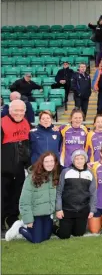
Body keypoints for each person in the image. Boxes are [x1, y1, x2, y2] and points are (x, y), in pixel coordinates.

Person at [5, 152, 59, 243]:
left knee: (46, 237)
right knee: (36, 240)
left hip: (47, 214)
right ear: (42, 163)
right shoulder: (32, 177)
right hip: (35, 215)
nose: (49, 164)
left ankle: (35, 227)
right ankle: (20, 228)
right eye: (46, 161)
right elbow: (24, 201)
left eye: (51, 161)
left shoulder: (54, 175)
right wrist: (29, 220)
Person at [1, 100, 31, 234]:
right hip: (3, 168)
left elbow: (26, 145)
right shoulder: (2, 123)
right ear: (10, 110)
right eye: (16, 110)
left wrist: (27, 163)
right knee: (2, 197)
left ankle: (12, 220)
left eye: (21, 111)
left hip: (19, 168)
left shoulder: (26, 123)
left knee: (16, 196)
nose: (19, 113)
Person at [53, 150, 97, 240]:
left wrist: (92, 210)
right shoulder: (65, 172)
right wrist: (59, 209)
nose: (79, 161)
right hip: (67, 210)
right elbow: (59, 192)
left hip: (82, 210)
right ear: (73, 160)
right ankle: (51, 226)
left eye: (82, 158)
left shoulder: (90, 173)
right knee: (64, 236)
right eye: (77, 159)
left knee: (78, 234)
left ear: (85, 160)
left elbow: (93, 193)